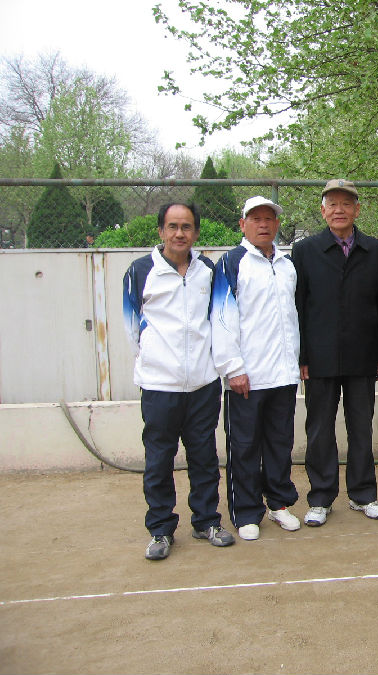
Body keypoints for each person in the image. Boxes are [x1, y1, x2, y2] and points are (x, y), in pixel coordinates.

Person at [123, 202, 234, 560]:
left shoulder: (208, 270)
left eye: (186, 227)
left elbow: (219, 319)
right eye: (172, 226)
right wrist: (156, 362)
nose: (179, 233)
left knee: (204, 457)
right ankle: (160, 529)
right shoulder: (141, 270)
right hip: (159, 388)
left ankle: (206, 521)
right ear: (161, 231)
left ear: (196, 232)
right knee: (159, 460)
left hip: (202, 385)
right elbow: (131, 328)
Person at [292, 179, 378, 527]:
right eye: (332, 204)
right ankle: (320, 497)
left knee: (361, 427)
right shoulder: (305, 251)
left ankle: (363, 494)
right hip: (318, 357)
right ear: (323, 211)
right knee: (319, 428)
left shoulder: (376, 251)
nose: (339, 210)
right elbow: (298, 307)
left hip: (362, 355)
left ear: (357, 210)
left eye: (346, 204)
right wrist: (302, 356)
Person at [211, 196, 303, 541]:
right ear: (243, 224)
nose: (263, 225)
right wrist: (233, 368)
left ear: (277, 224)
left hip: (283, 374)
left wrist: (297, 362)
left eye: (269, 219)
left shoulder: (287, 264)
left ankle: (279, 503)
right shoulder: (232, 263)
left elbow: (293, 316)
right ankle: (247, 511)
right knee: (245, 446)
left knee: (280, 443)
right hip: (246, 377)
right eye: (255, 219)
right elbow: (221, 318)